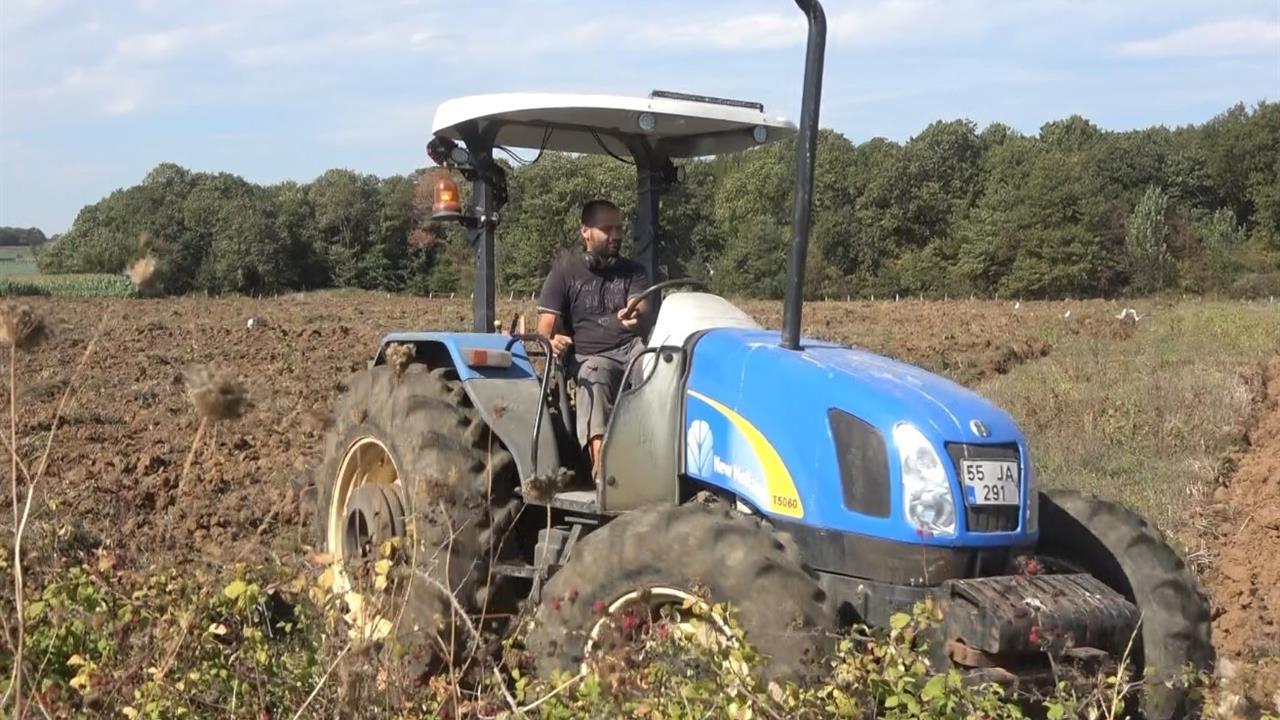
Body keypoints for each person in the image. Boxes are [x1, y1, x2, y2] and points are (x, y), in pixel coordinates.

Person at [536, 199, 651, 482]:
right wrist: (551, 342)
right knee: (596, 375)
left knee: (661, 371)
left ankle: (659, 460)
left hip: (631, 350)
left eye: (620, 228)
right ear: (585, 231)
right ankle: (604, 474)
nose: (616, 236)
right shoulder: (564, 272)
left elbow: (640, 306)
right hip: (590, 357)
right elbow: (544, 329)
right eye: (607, 229)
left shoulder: (632, 270)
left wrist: (635, 311)